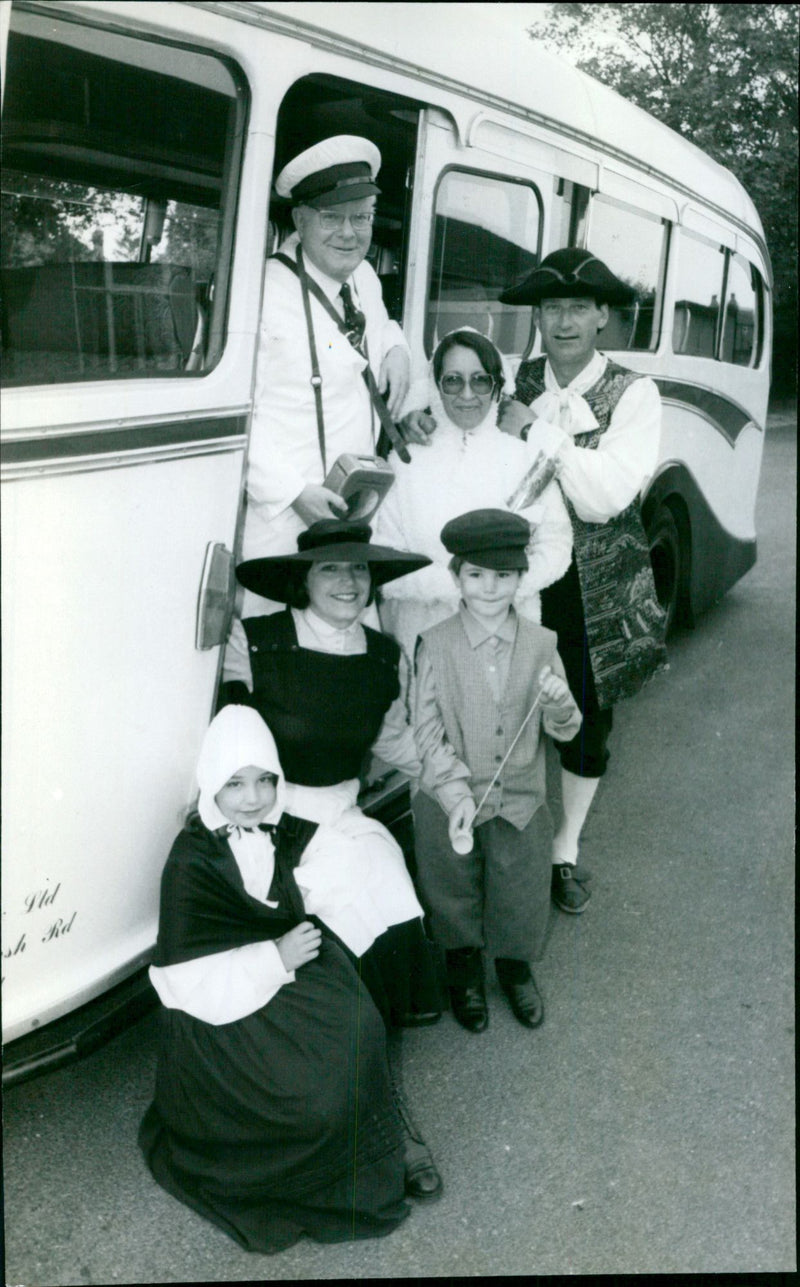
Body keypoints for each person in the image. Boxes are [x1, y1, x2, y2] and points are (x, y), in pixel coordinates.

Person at [222, 518, 446, 1198]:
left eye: (360, 570)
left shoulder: (384, 654)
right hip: (266, 824)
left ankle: (380, 1105)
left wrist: (456, 784)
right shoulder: (253, 642)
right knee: (317, 939)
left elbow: (397, 744)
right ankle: (333, 1112)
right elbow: (225, 747)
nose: (349, 582)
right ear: (302, 579)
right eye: (331, 569)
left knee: (378, 882)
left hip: (344, 819)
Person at [139, 705, 410, 1253]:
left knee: (357, 1023)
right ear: (211, 783)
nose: (253, 797)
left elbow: (324, 850)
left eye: (265, 780)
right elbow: (186, 980)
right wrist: (276, 957)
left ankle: (377, 1153)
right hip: (222, 1007)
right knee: (306, 1092)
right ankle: (317, 1176)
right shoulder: (191, 861)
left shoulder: (273, 828)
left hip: (279, 969)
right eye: (235, 783)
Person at [495, 248, 668, 915]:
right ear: (537, 315)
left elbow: (607, 495)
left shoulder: (634, 392)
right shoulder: (514, 378)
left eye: (578, 307)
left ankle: (564, 850)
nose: (563, 321)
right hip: (529, 574)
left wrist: (539, 433)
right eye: (551, 308)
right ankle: (509, 842)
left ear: (603, 315)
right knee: (513, 709)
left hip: (599, 588)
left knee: (587, 722)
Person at [412, 510, 582, 1034]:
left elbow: (568, 729)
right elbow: (426, 731)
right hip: (448, 799)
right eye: (476, 575)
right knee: (452, 889)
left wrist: (558, 702)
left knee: (520, 889)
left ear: (520, 577)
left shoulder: (543, 643)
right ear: (455, 576)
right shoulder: (433, 643)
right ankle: (462, 969)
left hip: (521, 799)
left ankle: (514, 969)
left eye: (503, 576)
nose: (490, 588)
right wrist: (456, 792)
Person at [241, 133, 412, 615]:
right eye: (332, 217)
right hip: (283, 523)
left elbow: (374, 329)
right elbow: (233, 413)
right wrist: (292, 491)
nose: (349, 233)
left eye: (361, 218)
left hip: (350, 519)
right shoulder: (257, 294)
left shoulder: (363, 278)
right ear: (299, 219)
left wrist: (396, 347)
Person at [372, 327, 573, 670]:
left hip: (508, 636)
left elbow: (556, 544)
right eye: (453, 380)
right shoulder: (405, 462)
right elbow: (384, 557)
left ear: (496, 386)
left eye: (480, 380)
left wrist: (507, 587)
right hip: (421, 638)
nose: (467, 394)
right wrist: (462, 587)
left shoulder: (524, 457)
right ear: (437, 385)